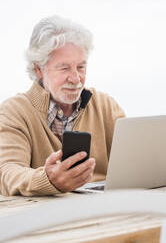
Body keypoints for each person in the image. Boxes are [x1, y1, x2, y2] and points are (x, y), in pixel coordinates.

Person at [0, 15, 125, 196]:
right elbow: (7, 173)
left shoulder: (104, 105)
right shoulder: (14, 112)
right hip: (48, 219)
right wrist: (47, 179)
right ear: (38, 69)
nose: (76, 79)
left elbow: (135, 160)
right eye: (64, 68)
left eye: (81, 67)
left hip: (105, 212)